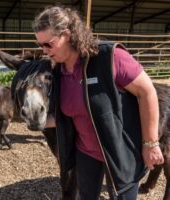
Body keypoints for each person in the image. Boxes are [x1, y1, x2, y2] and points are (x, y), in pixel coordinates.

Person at [33, 5, 164, 200]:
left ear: (67, 34)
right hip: (86, 152)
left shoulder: (108, 57)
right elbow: (68, 113)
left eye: (48, 44)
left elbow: (147, 92)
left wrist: (150, 143)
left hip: (120, 150)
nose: (44, 51)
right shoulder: (58, 71)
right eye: (40, 45)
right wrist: (38, 122)